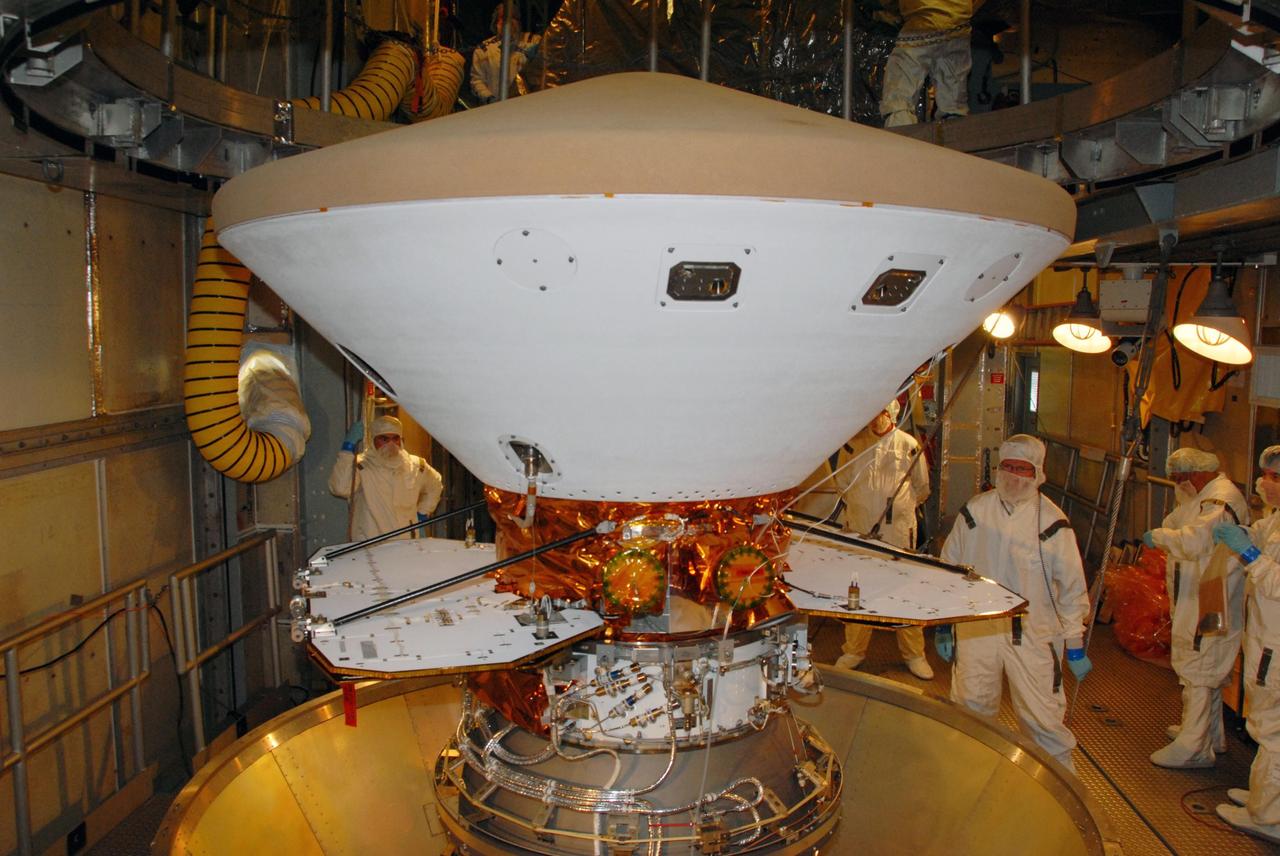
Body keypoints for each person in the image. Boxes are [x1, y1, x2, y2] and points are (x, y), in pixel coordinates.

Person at [937, 434, 1091, 772]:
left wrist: (1075, 640)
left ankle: (1062, 793)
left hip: (1031, 633)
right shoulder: (975, 512)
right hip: (977, 629)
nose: (1014, 475)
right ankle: (968, 779)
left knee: (1043, 720)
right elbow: (949, 567)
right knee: (970, 711)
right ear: (998, 468)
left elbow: (1071, 587)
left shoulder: (1053, 524)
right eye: (1008, 467)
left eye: (1023, 469)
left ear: (1038, 472)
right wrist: (945, 622)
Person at [1141, 447, 1246, 769]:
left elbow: (1195, 541)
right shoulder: (1204, 495)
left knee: (1200, 666)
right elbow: (1181, 518)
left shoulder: (1219, 502)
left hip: (1211, 598)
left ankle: (1194, 748)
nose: (1178, 485)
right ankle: (1207, 733)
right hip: (1197, 593)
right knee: (1201, 664)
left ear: (1197, 475)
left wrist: (1159, 537)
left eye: (1180, 479)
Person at [834, 400, 934, 679]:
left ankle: (914, 654)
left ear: (891, 413)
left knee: (904, 589)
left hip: (898, 532)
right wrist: (862, 506)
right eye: (871, 412)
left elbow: (922, 487)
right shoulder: (852, 445)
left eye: (881, 412)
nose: (875, 418)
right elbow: (842, 483)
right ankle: (854, 649)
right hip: (859, 529)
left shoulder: (908, 445)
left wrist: (900, 509)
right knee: (857, 589)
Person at [1211, 445, 1280, 844]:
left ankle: (1267, 816)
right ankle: (1263, 797)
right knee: (1266, 722)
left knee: (1272, 731)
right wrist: (1247, 536)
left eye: (1275, 478)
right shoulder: (1275, 519)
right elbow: (1265, 538)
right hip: (1267, 635)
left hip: (1276, 644)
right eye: (1265, 475)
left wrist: (1248, 552)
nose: (1265, 483)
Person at [328, 415, 444, 542]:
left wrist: (422, 513)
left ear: (401, 440)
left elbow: (435, 485)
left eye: (395, 438)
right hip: (371, 544)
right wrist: (347, 448)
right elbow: (340, 488)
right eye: (384, 439)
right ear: (373, 440)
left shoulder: (416, 466)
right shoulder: (361, 466)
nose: (391, 444)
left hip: (407, 542)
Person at [880, 1, 975, 127]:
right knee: (953, 102)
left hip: (922, 23)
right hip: (959, 27)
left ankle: (900, 139)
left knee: (899, 95)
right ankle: (955, 140)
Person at [470, 5, 540, 104]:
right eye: (504, 17)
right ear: (496, 22)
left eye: (513, 17)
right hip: (494, 109)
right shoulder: (483, 49)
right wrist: (489, 98)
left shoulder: (534, 41)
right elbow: (477, 80)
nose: (509, 21)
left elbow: (542, 70)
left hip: (526, 105)